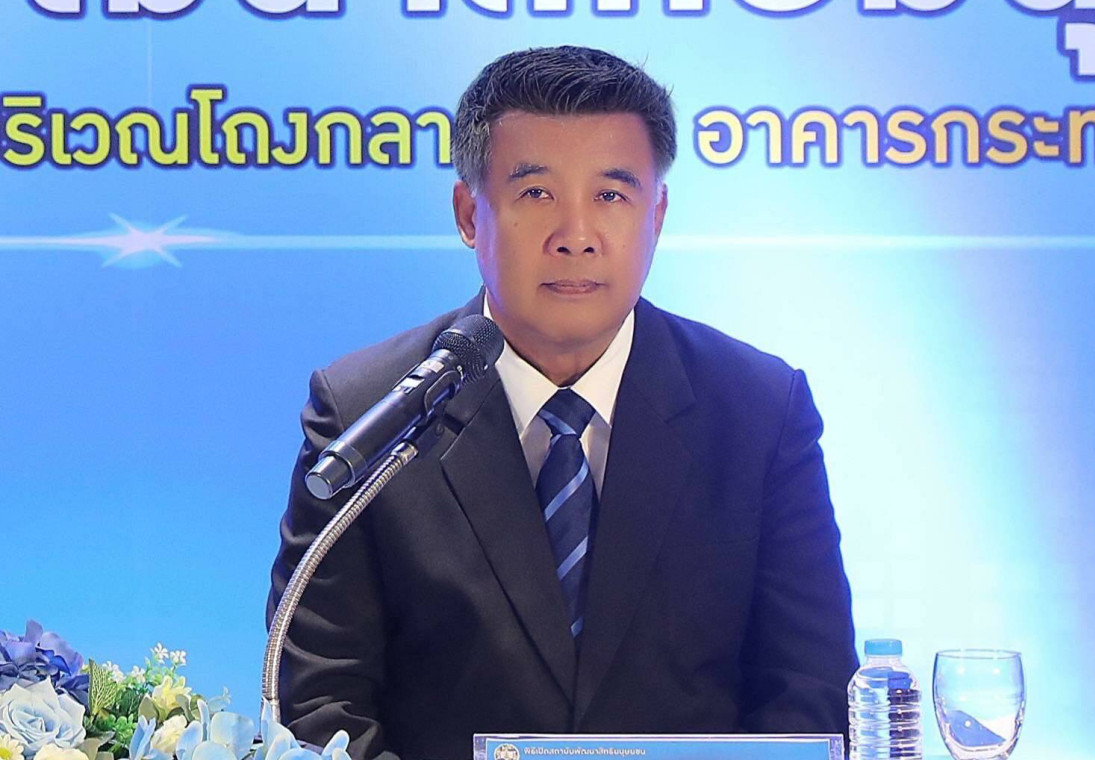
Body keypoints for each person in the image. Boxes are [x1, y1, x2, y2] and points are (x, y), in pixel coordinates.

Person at [268, 45, 858, 760]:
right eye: (536, 194)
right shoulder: (368, 412)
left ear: (657, 215)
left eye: (611, 196)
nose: (576, 238)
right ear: (468, 213)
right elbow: (320, 709)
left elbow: (809, 699)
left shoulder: (759, 411)